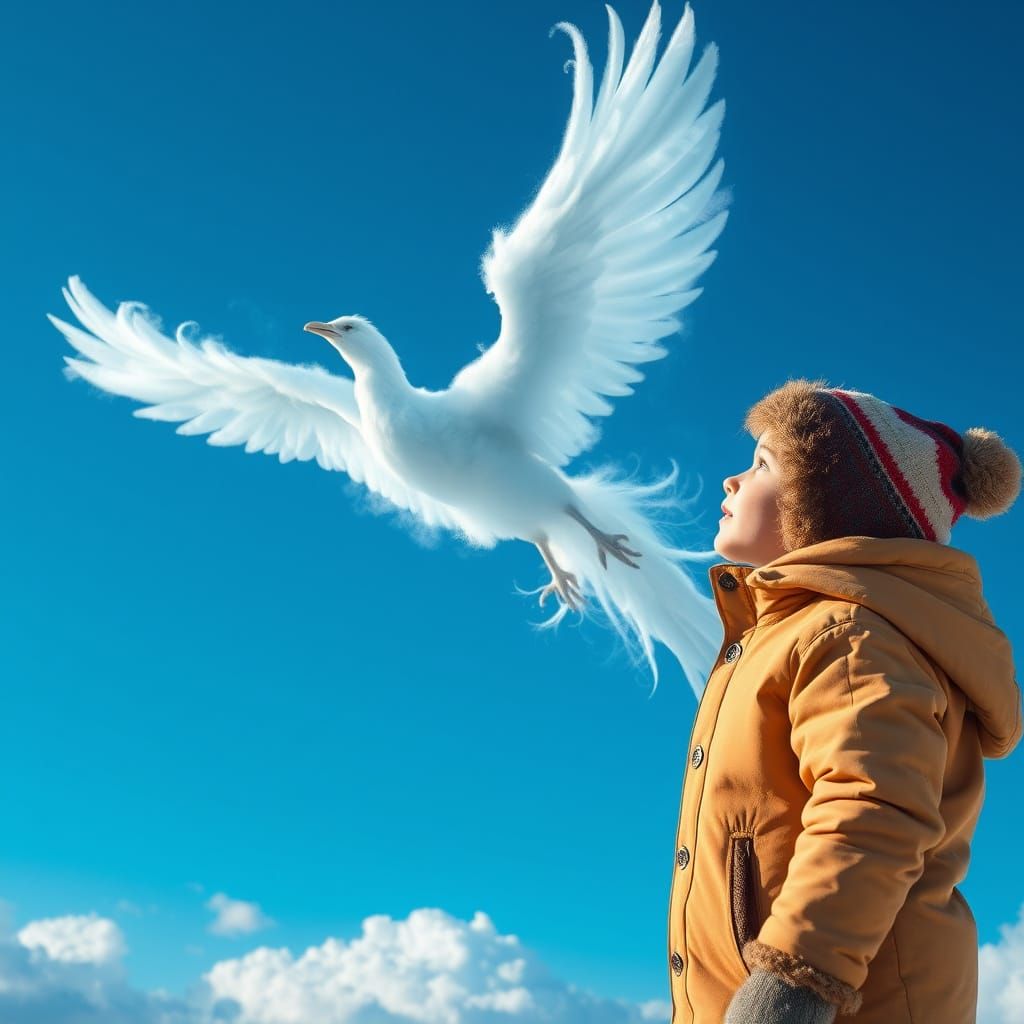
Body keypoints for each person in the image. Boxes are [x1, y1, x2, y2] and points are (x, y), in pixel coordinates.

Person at [666, 378, 1023, 1023]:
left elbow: (872, 808)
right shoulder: (784, 637)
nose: (732, 481)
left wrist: (793, 985)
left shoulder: (850, 637)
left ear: (826, 505)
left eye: (763, 465)